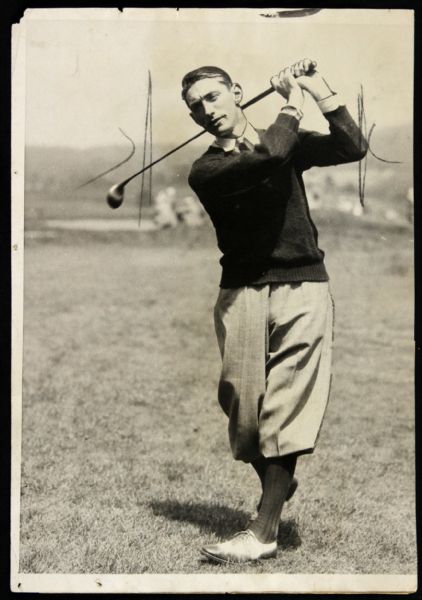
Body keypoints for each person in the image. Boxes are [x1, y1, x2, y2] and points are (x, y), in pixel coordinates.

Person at [182, 59, 367, 564]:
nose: (207, 110)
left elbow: (353, 145)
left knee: (286, 406)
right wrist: (289, 102)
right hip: (241, 290)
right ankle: (277, 484)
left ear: (237, 92)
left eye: (214, 97)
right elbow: (268, 158)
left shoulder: (282, 140)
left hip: (303, 282)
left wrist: (315, 88)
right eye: (196, 106)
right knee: (244, 414)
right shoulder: (208, 169)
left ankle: (262, 532)